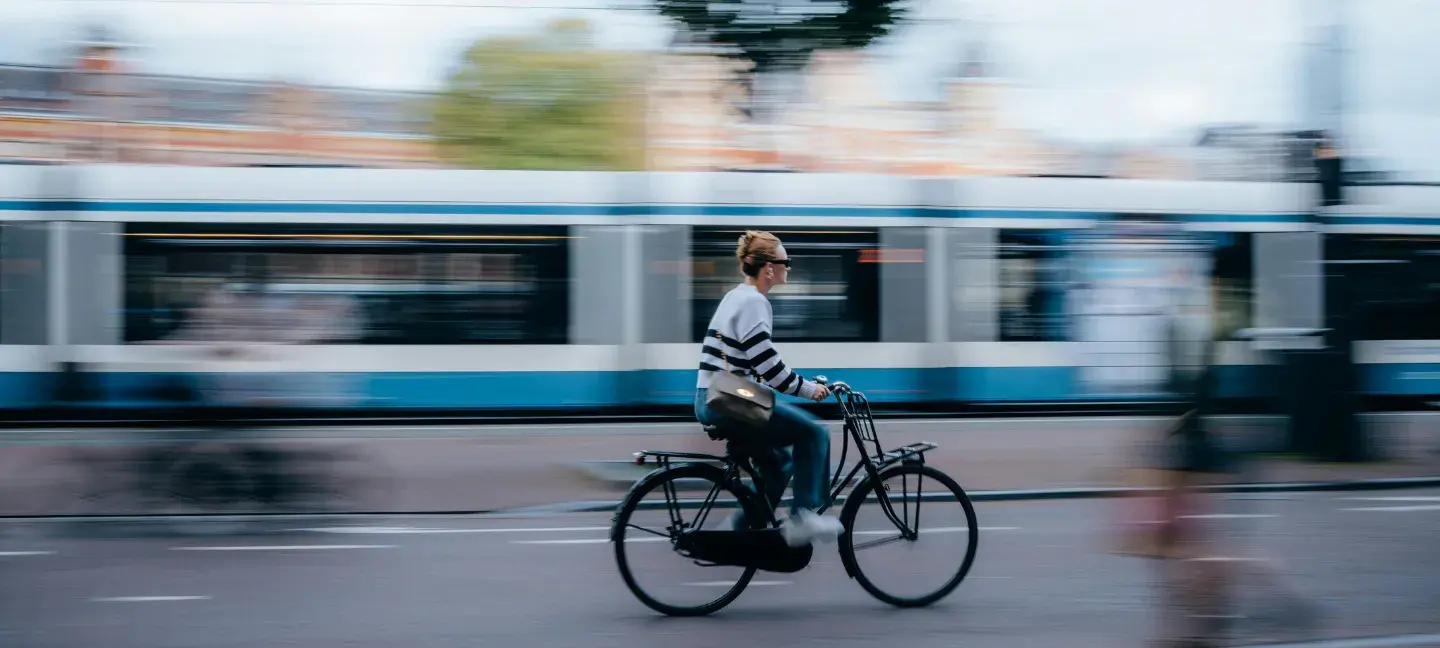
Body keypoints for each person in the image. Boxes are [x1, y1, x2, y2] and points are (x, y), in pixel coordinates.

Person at [695, 230, 843, 547]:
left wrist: (800, 384)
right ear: (768, 269)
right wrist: (808, 390)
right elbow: (769, 367)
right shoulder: (754, 302)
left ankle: (738, 537)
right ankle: (803, 517)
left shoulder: (736, 295)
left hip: (716, 397)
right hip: (730, 401)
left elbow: (751, 362)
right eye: (784, 262)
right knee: (814, 433)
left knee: (779, 468)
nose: (788, 267)